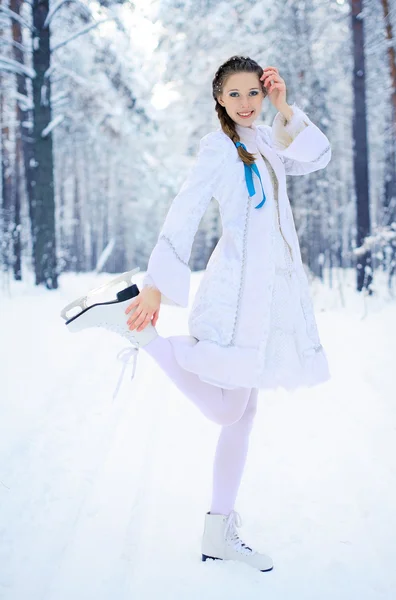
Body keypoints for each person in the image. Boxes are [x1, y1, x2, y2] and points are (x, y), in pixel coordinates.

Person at [61, 55, 332, 572]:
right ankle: (145, 338)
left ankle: (218, 532)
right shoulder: (217, 148)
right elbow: (184, 209)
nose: (248, 103)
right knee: (229, 411)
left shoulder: (270, 140)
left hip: (269, 295)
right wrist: (158, 284)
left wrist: (284, 107)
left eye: (255, 92)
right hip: (237, 296)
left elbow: (317, 156)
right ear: (219, 100)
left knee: (241, 416)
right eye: (236, 94)